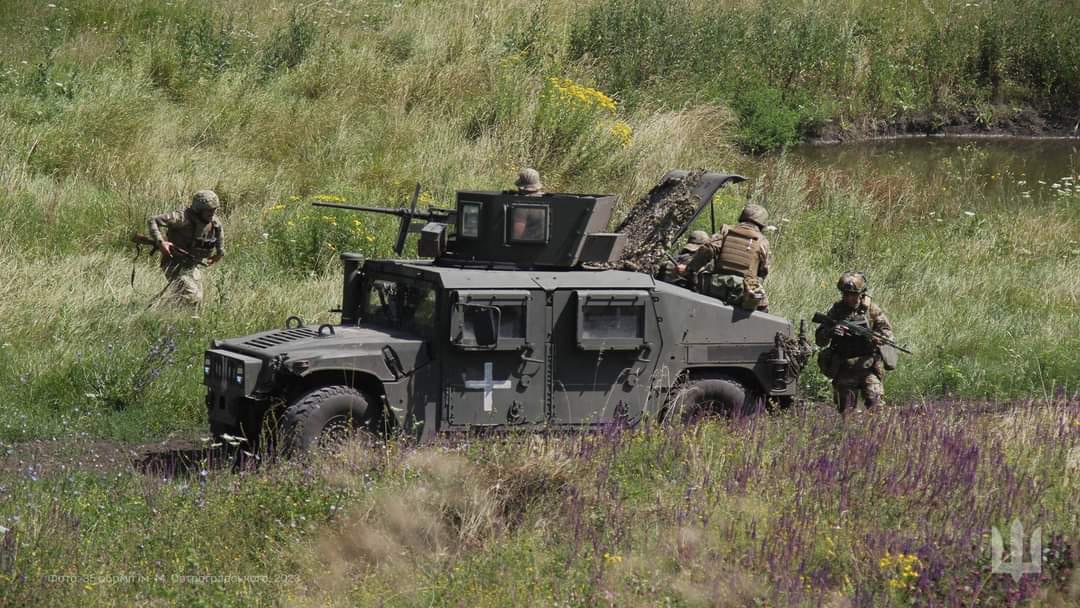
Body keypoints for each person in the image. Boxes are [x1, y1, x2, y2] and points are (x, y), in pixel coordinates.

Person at [814, 272, 894, 413]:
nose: (849, 298)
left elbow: (888, 334)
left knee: (877, 407)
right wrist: (832, 331)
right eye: (845, 294)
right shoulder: (836, 311)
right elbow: (820, 340)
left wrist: (878, 339)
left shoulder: (872, 310)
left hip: (868, 367)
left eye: (853, 294)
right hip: (844, 368)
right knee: (847, 412)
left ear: (861, 294)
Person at [679, 204, 771, 311]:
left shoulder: (726, 231)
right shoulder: (763, 242)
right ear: (762, 223)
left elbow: (708, 249)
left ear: (742, 217)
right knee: (762, 305)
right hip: (741, 291)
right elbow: (763, 271)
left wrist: (689, 269)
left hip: (716, 284)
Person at [147, 190, 224, 307]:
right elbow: (153, 220)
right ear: (198, 210)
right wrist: (161, 242)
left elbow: (219, 235)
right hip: (173, 263)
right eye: (208, 210)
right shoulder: (182, 218)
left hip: (193, 265)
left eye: (214, 210)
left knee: (195, 302)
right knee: (193, 296)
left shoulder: (214, 222)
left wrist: (219, 252)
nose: (212, 213)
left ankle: (165, 311)